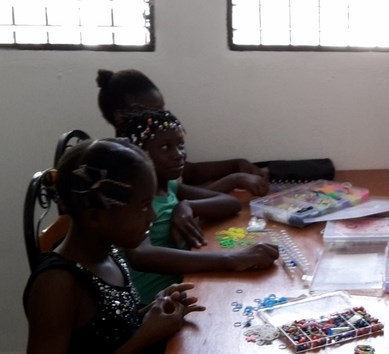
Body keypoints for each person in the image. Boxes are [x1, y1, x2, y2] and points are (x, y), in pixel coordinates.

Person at [24, 138, 204, 354]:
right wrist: (145, 336)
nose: (153, 216)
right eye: (144, 206)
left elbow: (111, 329)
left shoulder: (108, 253)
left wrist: (153, 310)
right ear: (95, 217)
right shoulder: (56, 284)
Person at [118, 108, 280, 303]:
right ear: (139, 153)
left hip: (185, 286)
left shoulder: (168, 186)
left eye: (180, 145)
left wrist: (187, 206)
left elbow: (229, 203)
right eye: (164, 148)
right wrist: (231, 260)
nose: (178, 155)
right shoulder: (133, 199)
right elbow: (141, 255)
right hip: (153, 306)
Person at [96, 68, 269, 196]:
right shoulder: (125, 167)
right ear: (122, 115)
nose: (163, 117)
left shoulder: (151, 151)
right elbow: (177, 201)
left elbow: (190, 172)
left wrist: (236, 164)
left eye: (162, 109)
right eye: (155, 111)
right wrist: (235, 179)